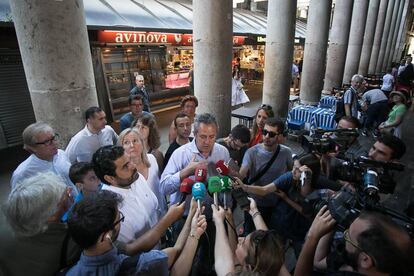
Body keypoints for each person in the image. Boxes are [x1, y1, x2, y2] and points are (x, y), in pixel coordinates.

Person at [66, 190, 207, 276]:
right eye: (119, 219)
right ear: (106, 236)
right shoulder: (146, 265)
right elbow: (177, 253)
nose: (120, 221)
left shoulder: (70, 272)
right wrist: (193, 224)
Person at [160, 113, 230, 276]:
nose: (207, 142)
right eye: (203, 136)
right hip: (185, 219)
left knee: (208, 258)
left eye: (212, 137)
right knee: (183, 260)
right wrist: (187, 171)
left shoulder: (223, 152)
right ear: (195, 133)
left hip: (213, 217)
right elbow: (163, 187)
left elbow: (225, 180)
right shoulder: (180, 154)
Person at [237, 154, 320, 254]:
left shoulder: (319, 190)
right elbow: (265, 190)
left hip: (299, 230)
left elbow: (308, 214)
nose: (293, 171)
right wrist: (244, 187)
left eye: (298, 170)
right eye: (294, 167)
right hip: (281, 222)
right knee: (276, 250)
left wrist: (286, 198)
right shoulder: (289, 177)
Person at [1, 172, 80, 276]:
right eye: (66, 195)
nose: (71, 195)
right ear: (52, 216)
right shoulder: (71, 242)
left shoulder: (5, 231)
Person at [295, 206, 413, 276]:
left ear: (365, 260)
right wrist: (332, 220)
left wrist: (312, 236)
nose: (344, 234)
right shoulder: (353, 256)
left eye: (347, 236)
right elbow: (318, 262)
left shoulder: (351, 259)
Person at [92, 145, 160, 244]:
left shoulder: (135, 177)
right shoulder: (110, 209)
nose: (133, 166)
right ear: (110, 178)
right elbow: (131, 249)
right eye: (125, 166)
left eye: (130, 160)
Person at [239, 117, 293, 233]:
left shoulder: (286, 152)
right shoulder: (252, 152)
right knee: (249, 234)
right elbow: (242, 173)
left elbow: (292, 172)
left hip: (275, 203)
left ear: (279, 136)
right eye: (265, 132)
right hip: (254, 203)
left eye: (271, 134)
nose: (267, 136)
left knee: (269, 238)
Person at [212, 198, 289, 276]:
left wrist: (218, 221)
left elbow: (223, 263)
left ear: (249, 267)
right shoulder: (273, 264)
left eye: (243, 244)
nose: (239, 238)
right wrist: (254, 212)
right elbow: (268, 243)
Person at [10, 122, 75, 191]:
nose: (55, 143)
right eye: (47, 141)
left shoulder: (61, 154)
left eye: (54, 138)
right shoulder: (23, 173)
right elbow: (20, 200)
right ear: (32, 147)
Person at [118, 128, 167, 217]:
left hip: (162, 211)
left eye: (135, 141)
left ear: (142, 143)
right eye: (126, 142)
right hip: (145, 220)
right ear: (121, 148)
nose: (132, 145)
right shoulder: (123, 173)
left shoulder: (152, 158)